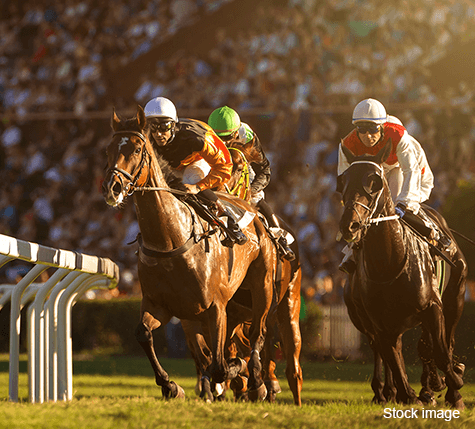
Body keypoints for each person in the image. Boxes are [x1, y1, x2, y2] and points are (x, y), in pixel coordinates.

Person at [337, 98, 451, 274]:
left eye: (373, 129)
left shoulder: (399, 136)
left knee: (399, 203)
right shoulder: (348, 144)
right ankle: (351, 251)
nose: (367, 135)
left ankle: (435, 233)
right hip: (379, 171)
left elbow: (410, 171)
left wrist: (403, 204)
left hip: (409, 171)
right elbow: (345, 180)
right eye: (362, 129)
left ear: (382, 127)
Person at [143, 96, 247, 246]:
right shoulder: (146, 137)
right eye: (153, 127)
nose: (158, 133)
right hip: (172, 165)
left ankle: (229, 219)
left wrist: (197, 187)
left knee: (188, 181)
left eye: (164, 127)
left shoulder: (196, 138)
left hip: (198, 160)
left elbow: (225, 167)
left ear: (173, 125)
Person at [207, 106, 295, 261]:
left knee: (256, 198)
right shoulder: (206, 135)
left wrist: (252, 189)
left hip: (241, 166)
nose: (223, 142)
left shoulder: (247, 136)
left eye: (227, 137)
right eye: (219, 137)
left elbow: (265, 170)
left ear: (236, 133)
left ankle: (280, 239)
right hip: (215, 168)